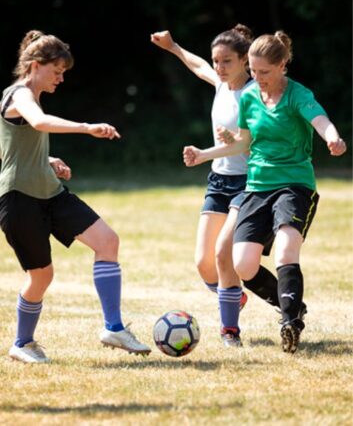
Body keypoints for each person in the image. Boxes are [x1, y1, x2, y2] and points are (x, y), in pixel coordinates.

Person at [183, 30, 347, 353]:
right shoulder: (249, 98)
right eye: (254, 72)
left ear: (283, 65)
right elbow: (245, 142)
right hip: (257, 186)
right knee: (243, 265)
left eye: (265, 73)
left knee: (287, 247)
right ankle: (293, 305)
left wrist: (332, 137)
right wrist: (205, 154)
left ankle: (290, 323)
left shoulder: (297, 94)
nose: (257, 79)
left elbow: (319, 118)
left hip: (294, 184)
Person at [0, 30, 151, 363]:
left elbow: (14, 143)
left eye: (63, 73)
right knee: (41, 276)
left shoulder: (31, 98)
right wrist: (86, 127)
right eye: (57, 71)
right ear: (35, 66)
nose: (61, 79)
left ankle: (113, 327)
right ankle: (22, 343)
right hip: (20, 200)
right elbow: (38, 123)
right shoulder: (18, 95)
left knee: (107, 241)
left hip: (51, 195)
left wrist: (47, 161)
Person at [151, 26, 302, 348]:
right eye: (216, 61)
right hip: (219, 181)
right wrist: (173, 46)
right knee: (203, 262)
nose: (218, 67)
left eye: (226, 61)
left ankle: (229, 330)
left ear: (244, 62)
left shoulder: (254, 94)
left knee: (224, 253)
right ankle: (242, 297)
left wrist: (233, 145)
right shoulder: (220, 84)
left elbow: (260, 147)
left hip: (251, 182)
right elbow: (196, 65)